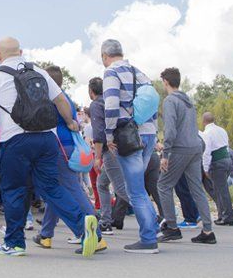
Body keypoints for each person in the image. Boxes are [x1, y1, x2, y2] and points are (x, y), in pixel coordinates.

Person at [0, 37, 98, 257]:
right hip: (46, 139)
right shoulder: (40, 72)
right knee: (51, 187)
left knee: (14, 189)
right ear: (20, 52)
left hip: (16, 140)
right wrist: (70, 121)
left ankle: (14, 243)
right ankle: (83, 226)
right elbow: (60, 99)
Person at [32, 66, 107, 253]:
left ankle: (95, 236)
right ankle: (46, 235)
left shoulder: (51, 99)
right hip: (68, 148)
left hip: (58, 149)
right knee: (56, 191)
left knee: (73, 191)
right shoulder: (65, 98)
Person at [100, 39, 159, 253]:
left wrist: (108, 134)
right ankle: (153, 228)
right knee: (140, 188)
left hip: (128, 136)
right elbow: (152, 103)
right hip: (149, 133)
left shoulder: (111, 72)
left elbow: (111, 105)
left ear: (104, 56)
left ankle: (148, 239)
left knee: (135, 191)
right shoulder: (138, 72)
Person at [156, 67, 215, 244]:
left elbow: (171, 129)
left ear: (165, 82)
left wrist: (165, 154)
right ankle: (207, 230)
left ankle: (172, 228)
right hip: (196, 147)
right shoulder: (189, 101)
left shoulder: (170, 101)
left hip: (180, 148)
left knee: (163, 185)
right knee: (196, 188)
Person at [89, 77, 130, 233]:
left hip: (109, 150)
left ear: (91, 91)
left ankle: (153, 220)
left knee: (122, 189)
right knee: (101, 183)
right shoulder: (110, 102)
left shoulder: (95, 105)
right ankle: (106, 221)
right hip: (120, 147)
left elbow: (99, 133)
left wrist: (97, 157)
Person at [201, 112, 233, 226]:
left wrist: (205, 168)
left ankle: (228, 216)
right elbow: (227, 145)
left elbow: (206, 152)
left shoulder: (207, 133)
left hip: (217, 161)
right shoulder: (222, 130)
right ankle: (222, 215)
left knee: (221, 190)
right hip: (227, 159)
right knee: (220, 188)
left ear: (203, 121)